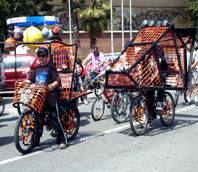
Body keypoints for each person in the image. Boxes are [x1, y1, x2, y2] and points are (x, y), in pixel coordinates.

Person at [25, 46, 67, 149]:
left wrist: (52, 85)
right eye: (39, 55)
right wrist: (24, 83)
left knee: (54, 118)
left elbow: (57, 81)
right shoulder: (37, 68)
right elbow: (31, 80)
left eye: (43, 55)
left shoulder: (51, 67)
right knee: (38, 119)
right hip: (39, 96)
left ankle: (62, 140)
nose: (41, 57)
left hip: (50, 96)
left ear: (47, 56)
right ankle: (35, 141)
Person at [185, 38, 198, 106]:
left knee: (193, 85)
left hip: (192, 71)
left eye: (190, 43)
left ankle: (196, 99)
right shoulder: (182, 51)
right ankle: (188, 99)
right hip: (184, 70)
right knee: (187, 86)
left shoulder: (194, 52)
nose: (189, 44)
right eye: (188, 43)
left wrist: (190, 68)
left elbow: (196, 62)